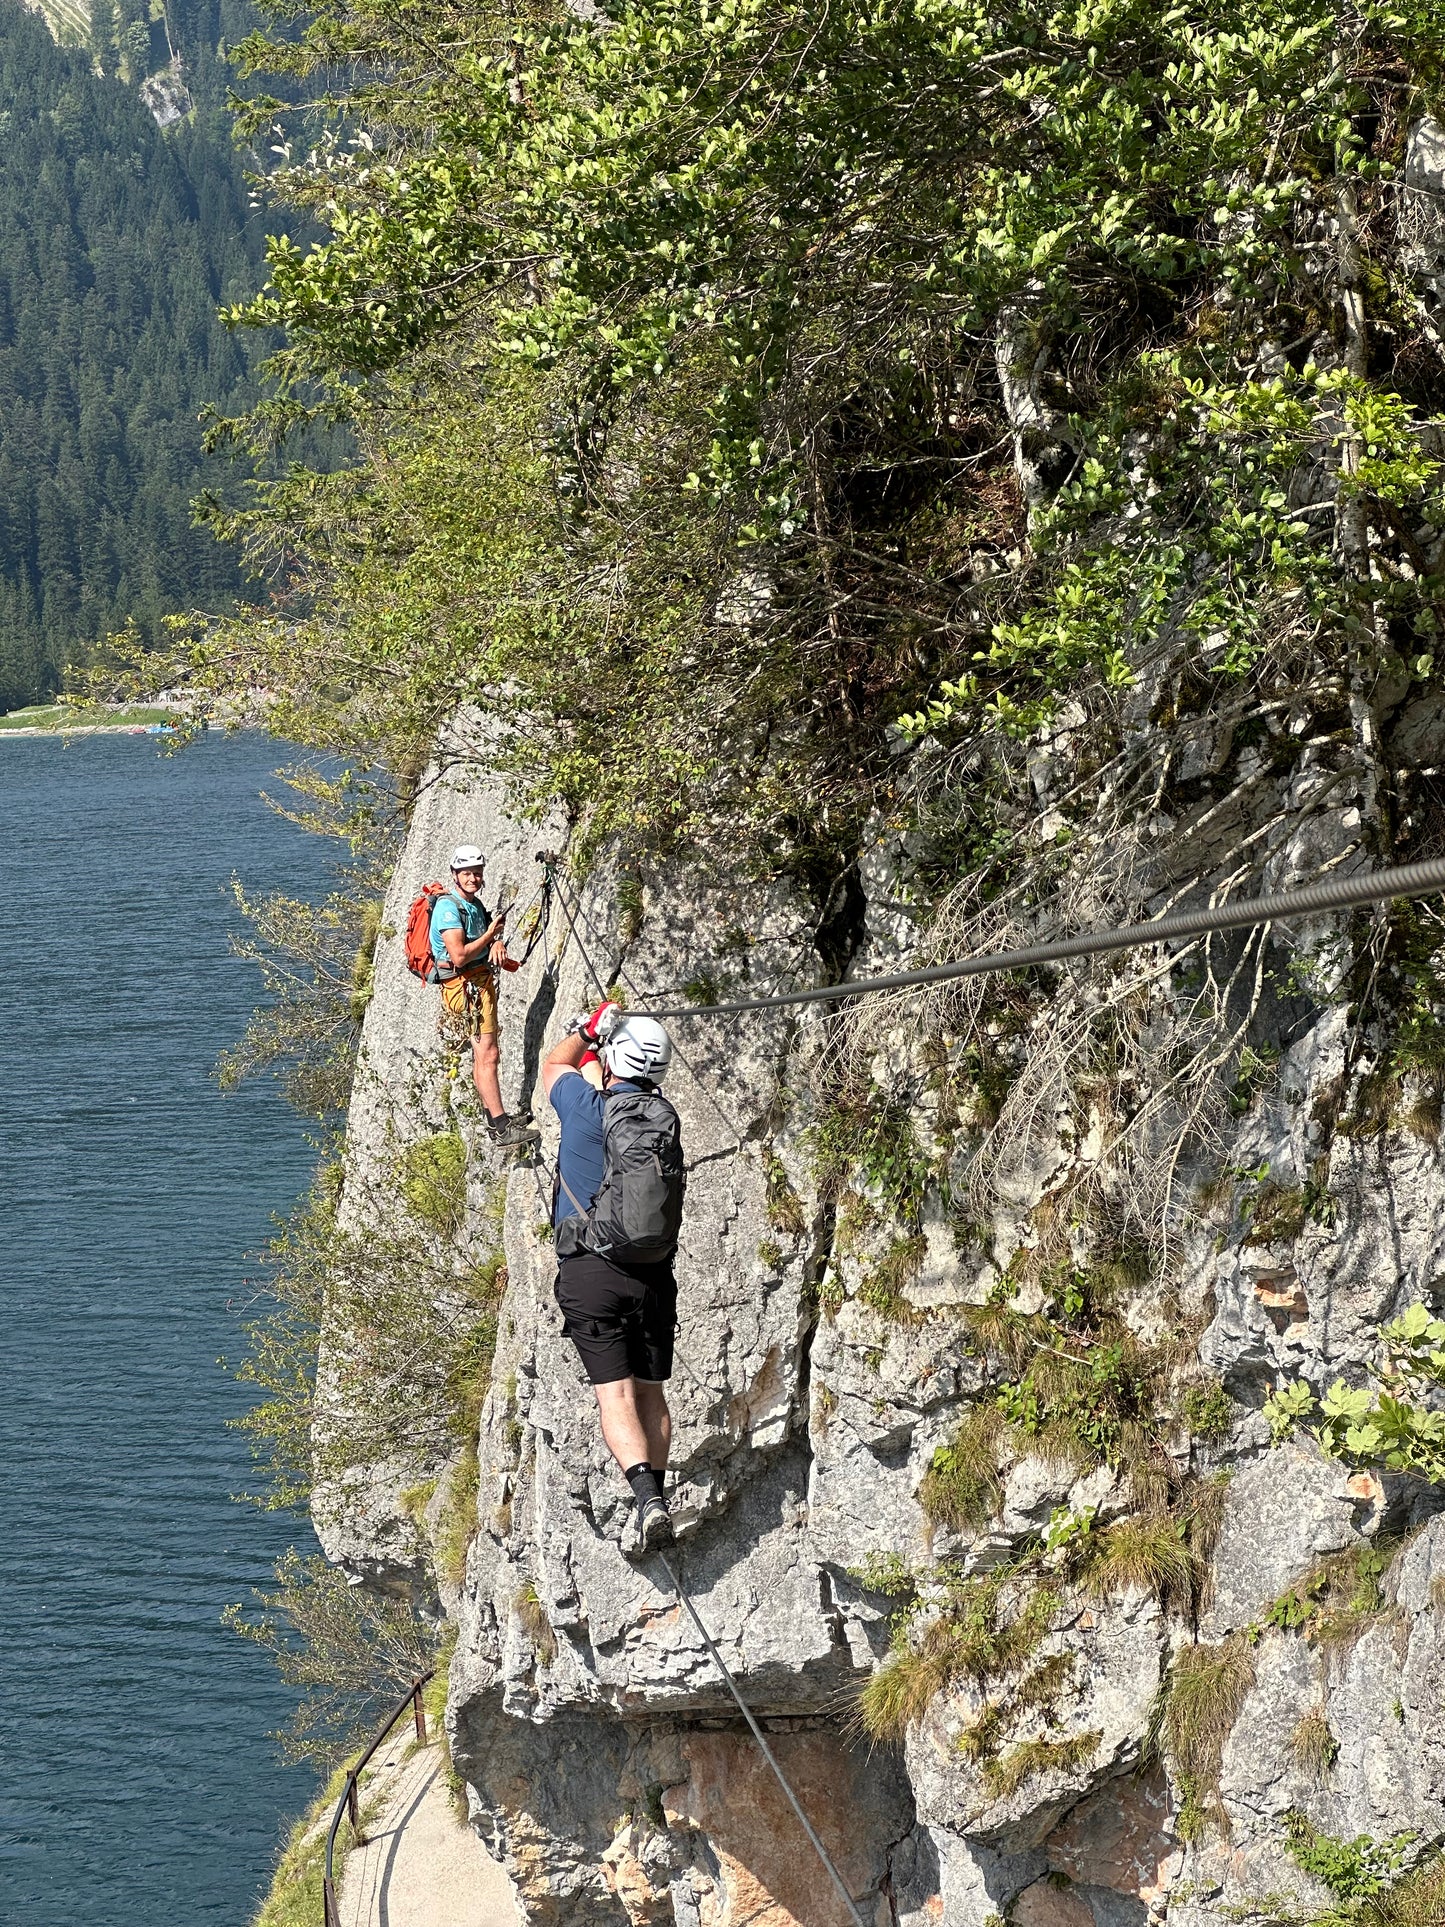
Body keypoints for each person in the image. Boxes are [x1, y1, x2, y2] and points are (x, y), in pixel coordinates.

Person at [542, 1001, 683, 1551]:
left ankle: (645, 1500)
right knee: (650, 1396)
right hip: (652, 1275)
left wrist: (587, 1031)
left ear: (611, 1058)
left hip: (591, 1275)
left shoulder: (583, 1105)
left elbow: (555, 1066)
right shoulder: (663, 1119)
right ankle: (658, 1500)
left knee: (614, 1396)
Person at [431, 844, 539, 1147]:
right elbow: (460, 954)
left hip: (475, 985)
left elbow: (480, 941)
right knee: (488, 1054)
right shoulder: (448, 908)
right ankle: (503, 1128)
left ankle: (496, 1119)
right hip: (466, 988)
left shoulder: (473, 904)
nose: (473, 878)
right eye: (467, 873)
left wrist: (494, 943)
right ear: (455, 874)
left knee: (484, 1054)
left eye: (477, 873)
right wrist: (491, 936)